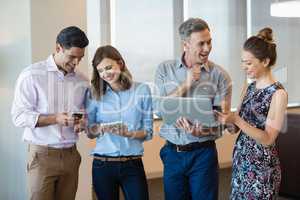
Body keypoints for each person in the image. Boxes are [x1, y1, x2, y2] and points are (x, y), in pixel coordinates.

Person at [154, 18, 232, 200]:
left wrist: (202, 131)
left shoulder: (220, 76)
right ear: (185, 45)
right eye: (201, 43)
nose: (207, 48)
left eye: (209, 42)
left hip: (203, 155)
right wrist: (186, 84)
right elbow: (159, 108)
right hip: (173, 153)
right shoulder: (164, 70)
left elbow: (222, 121)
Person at [11, 26, 89, 200]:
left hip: (71, 155)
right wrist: (55, 119)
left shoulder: (82, 80)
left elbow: (85, 114)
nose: (76, 62)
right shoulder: (32, 75)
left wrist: (82, 123)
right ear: (58, 48)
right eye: (72, 57)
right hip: (42, 156)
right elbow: (19, 116)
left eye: (80, 58)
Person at [215, 27, 288, 199]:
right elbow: (235, 129)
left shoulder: (278, 94)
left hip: (262, 169)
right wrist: (226, 119)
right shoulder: (249, 88)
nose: (244, 67)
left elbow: (268, 138)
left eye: (248, 63)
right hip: (242, 162)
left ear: (265, 61)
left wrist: (237, 120)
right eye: (243, 62)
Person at [85, 45, 153, 200]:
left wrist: (129, 133)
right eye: (100, 70)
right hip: (103, 165)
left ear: (120, 63)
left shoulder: (142, 90)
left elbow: (148, 132)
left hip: (132, 164)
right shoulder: (94, 93)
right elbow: (89, 132)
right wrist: (102, 128)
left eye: (108, 67)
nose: (105, 74)